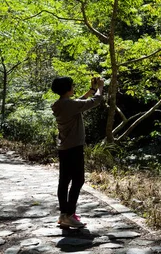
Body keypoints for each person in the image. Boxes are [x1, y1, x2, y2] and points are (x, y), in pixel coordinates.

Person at [50, 76, 105, 228]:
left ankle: (64, 214)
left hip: (64, 148)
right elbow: (95, 101)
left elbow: (78, 102)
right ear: (68, 89)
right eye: (72, 86)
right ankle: (69, 215)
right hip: (74, 147)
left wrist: (91, 90)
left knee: (64, 181)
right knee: (78, 180)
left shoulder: (60, 103)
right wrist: (100, 87)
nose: (74, 88)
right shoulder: (69, 104)